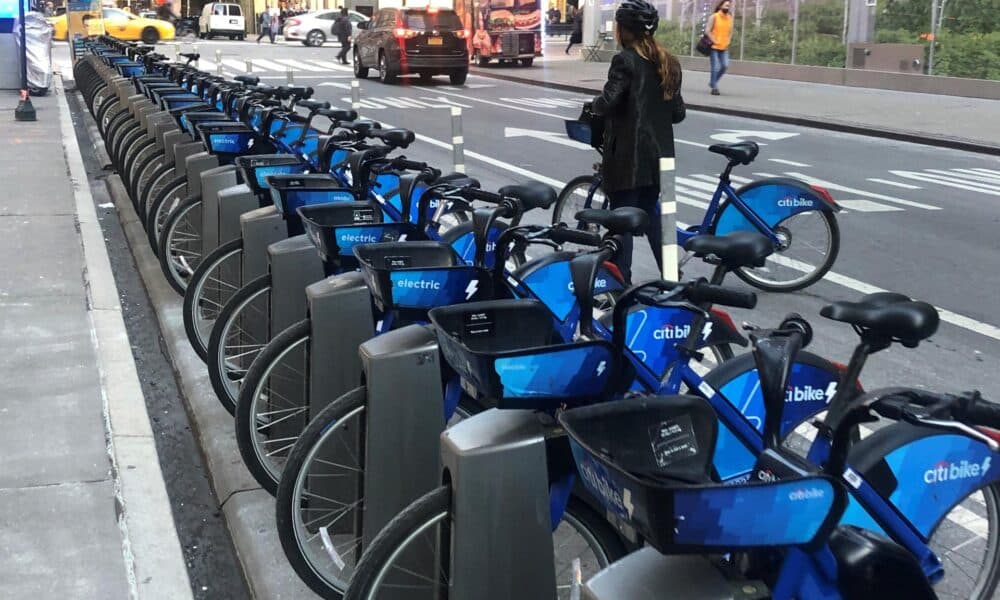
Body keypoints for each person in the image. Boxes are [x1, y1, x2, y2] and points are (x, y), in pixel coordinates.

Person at [590, 0, 685, 281]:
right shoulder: (669, 62)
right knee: (651, 217)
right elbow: (678, 113)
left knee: (622, 220)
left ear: (623, 30)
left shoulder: (625, 60)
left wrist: (593, 105)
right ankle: (671, 275)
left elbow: (608, 101)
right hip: (660, 159)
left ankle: (621, 283)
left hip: (628, 159)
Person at [705, 0, 733, 95]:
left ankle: (713, 82)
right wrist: (714, 40)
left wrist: (728, 40)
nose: (727, 7)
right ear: (720, 6)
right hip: (714, 46)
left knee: (725, 66)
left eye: (728, 6)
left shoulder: (729, 18)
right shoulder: (714, 16)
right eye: (725, 5)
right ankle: (714, 88)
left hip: (724, 47)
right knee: (715, 67)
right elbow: (707, 31)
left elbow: (730, 32)